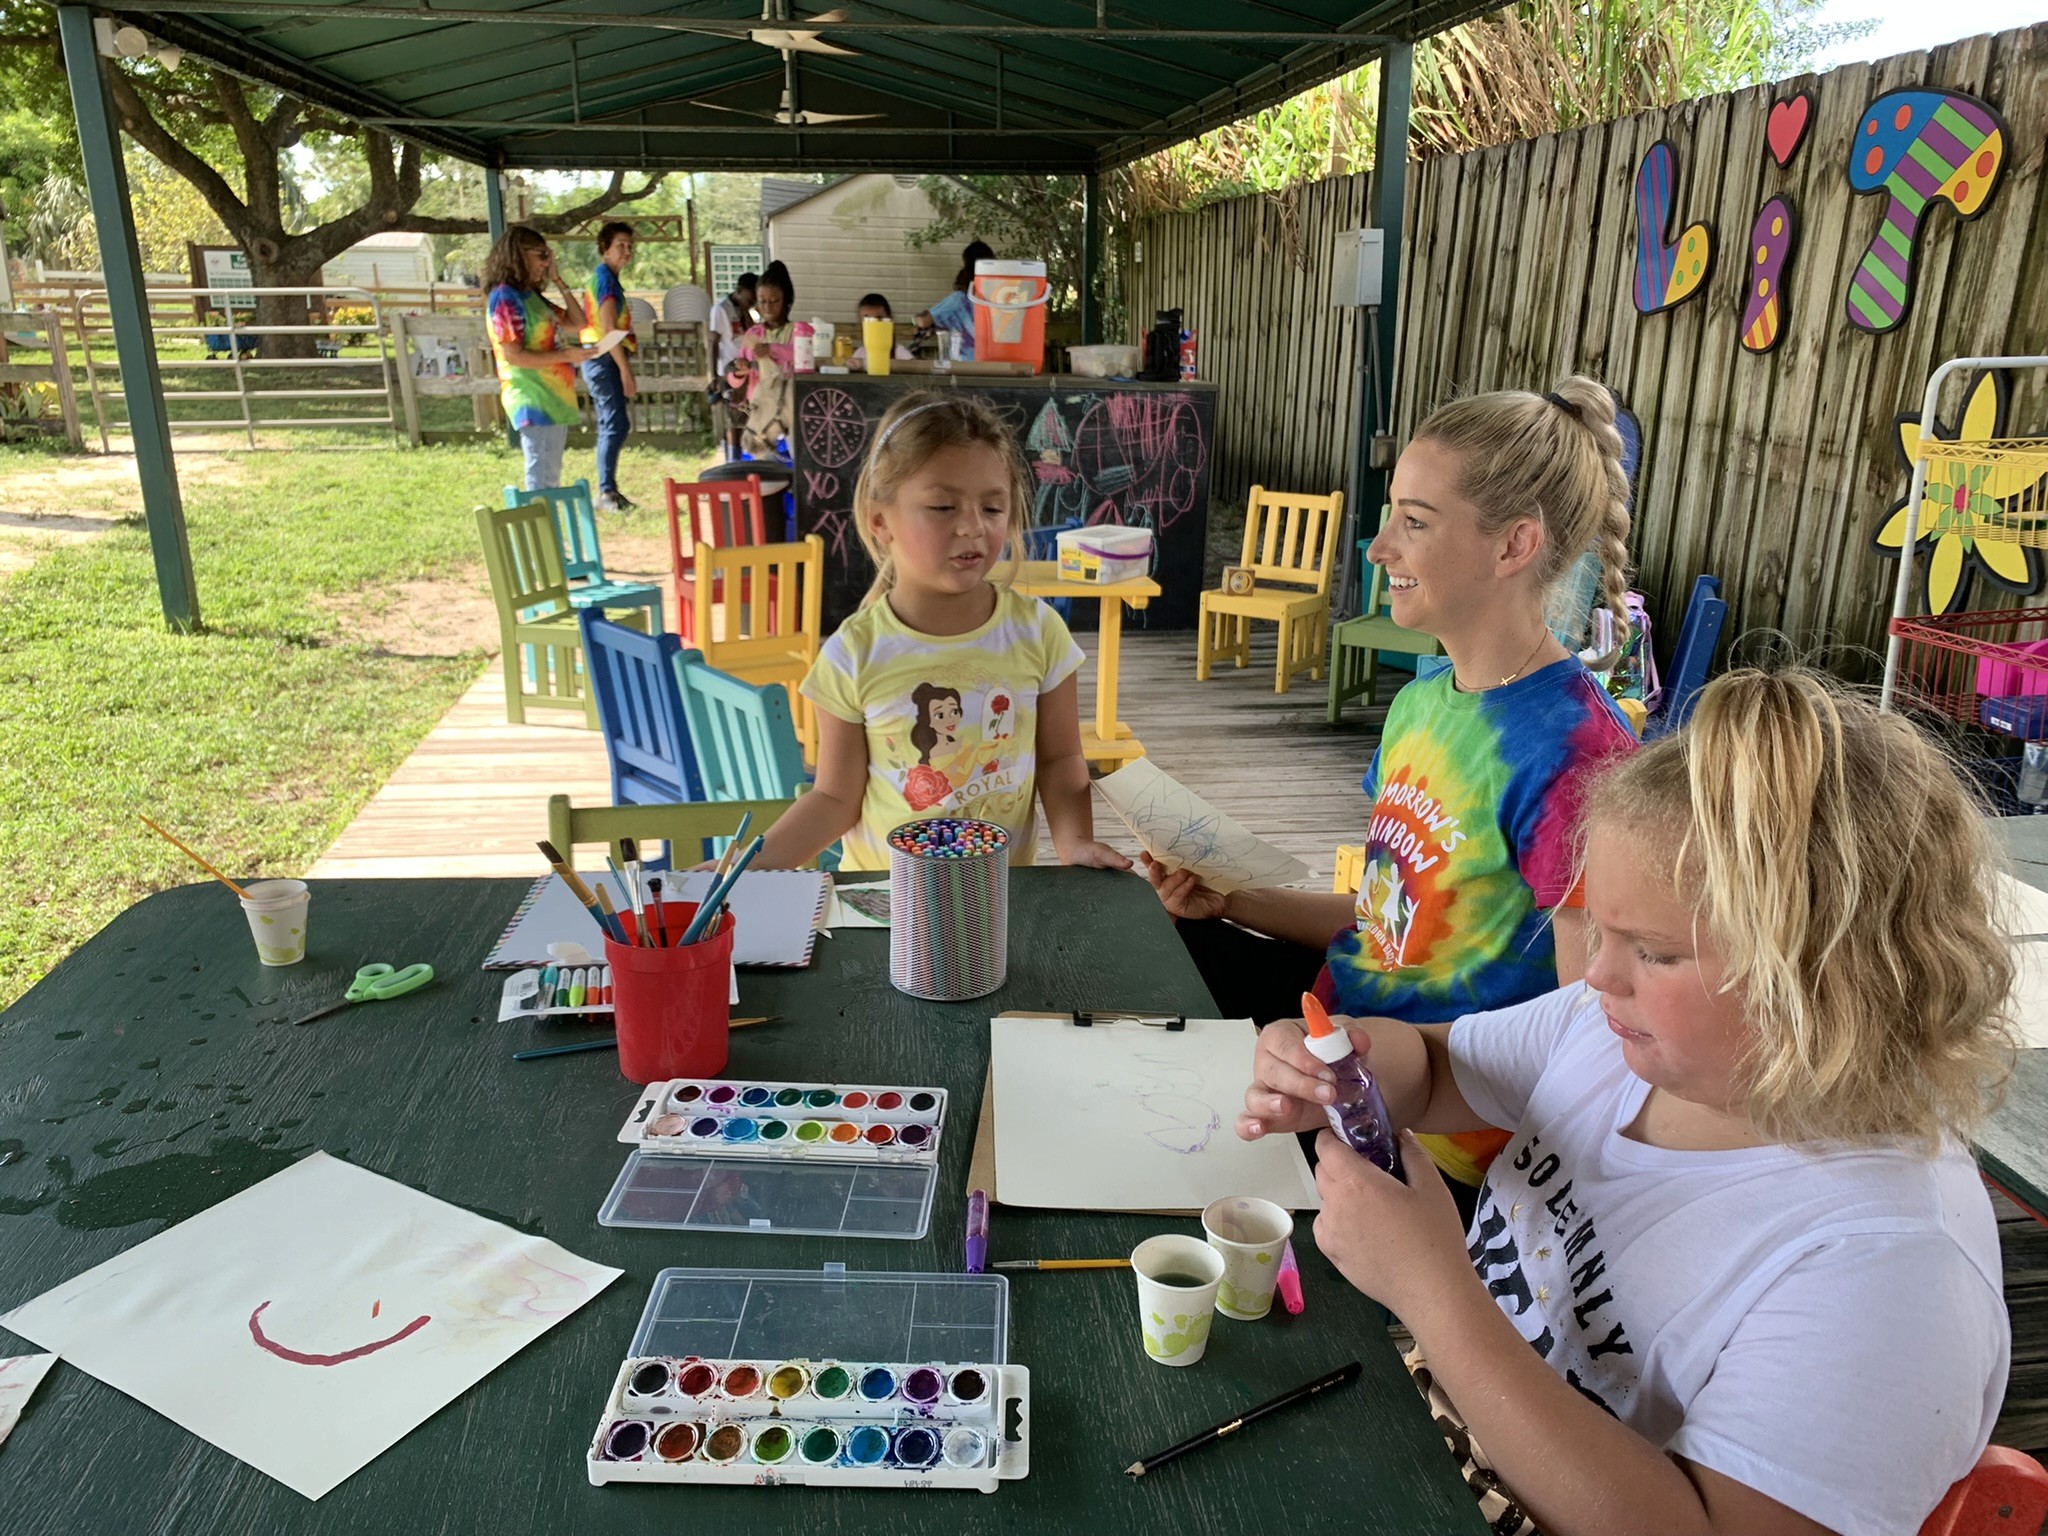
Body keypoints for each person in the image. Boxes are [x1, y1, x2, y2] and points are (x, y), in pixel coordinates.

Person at [1240, 666, 2015, 1536]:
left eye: (1654, 951)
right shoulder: (1619, 1039)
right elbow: (1437, 1067)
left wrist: (1432, 1291)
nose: (1598, 976)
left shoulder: (1889, 1272)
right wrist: (1345, 1064)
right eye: (1599, 930)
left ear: (1824, 975)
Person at [1147, 376, 1638, 1197]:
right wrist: (1229, 901)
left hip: (1432, 1141)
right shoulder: (1422, 702)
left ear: (1513, 546)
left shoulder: (1577, 754)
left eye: (1414, 522)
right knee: (1155, 948)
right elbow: (1385, 920)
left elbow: (1591, 1026)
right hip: (1329, 1040)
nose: (1378, 550)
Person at [755, 391, 1131, 875]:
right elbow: (833, 798)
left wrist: (1075, 843)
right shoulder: (853, 654)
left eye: (992, 509)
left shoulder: (1039, 632)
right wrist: (745, 870)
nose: (972, 527)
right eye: (942, 507)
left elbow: (1060, 759)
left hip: (1000, 896)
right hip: (886, 902)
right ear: (879, 521)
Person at [483, 224, 599, 492]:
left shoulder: (531, 297)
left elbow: (578, 322)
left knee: (550, 479)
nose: (547, 263)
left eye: (549, 256)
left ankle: (548, 520)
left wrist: (558, 281)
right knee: (542, 479)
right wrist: (566, 355)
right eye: (542, 255)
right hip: (533, 397)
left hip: (552, 398)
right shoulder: (504, 297)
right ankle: (542, 520)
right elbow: (514, 356)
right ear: (518, 254)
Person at [581, 221, 638, 511]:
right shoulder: (605, 279)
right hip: (602, 357)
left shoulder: (609, 278)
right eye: (620, 246)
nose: (626, 251)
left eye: (630, 246)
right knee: (615, 423)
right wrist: (625, 370)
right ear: (605, 249)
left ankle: (609, 490)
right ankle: (606, 491)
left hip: (602, 357)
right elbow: (608, 329)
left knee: (611, 423)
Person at [724, 261, 797, 458]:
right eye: (762, 301)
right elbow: (736, 379)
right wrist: (739, 372)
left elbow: (803, 356)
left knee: (792, 462)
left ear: (787, 300)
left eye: (774, 301)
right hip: (760, 416)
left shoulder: (797, 332)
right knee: (760, 465)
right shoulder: (753, 335)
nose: (768, 307)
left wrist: (773, 350)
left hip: (788, 415)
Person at [916, 240, 992, 362]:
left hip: (963, 364)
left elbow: (923, 321)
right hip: (994, 363)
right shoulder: (998, 299)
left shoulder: (959, 300)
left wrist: (917, 318)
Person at [709, 271, 757, 461]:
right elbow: (713, 341)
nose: (751, 304)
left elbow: (752, 334)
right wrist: (713, 375)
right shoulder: (721, 309)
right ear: (739, 290)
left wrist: (747, 312)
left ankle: (743, 458)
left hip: (746, 371)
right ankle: (732, 460)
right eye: (750, 299)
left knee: (745, 417)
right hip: (729, 371)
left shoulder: (743, 311)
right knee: (732, 421)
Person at [849, 292, 912, 369]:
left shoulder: (898, 351)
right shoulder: (859, 354)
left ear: (889, 321)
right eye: (867, 320)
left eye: (878, 318)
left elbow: (913, 367)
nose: (873, 325)